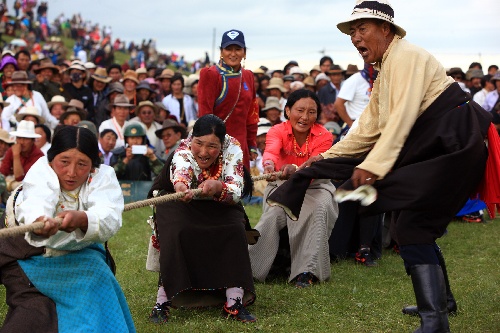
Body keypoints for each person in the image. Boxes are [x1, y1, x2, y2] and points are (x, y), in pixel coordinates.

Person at [267, 2, 493, 331]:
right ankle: (441, 302)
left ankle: (435, 320)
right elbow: (367, 128)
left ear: (385, 30)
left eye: (362, 29)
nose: (355, 37)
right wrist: (324, 159)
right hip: (444, 145)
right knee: (411, 223)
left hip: (456, 142)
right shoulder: (385, 68)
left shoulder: (406, 56)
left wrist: (374, 165)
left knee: (414, 225)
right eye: (352, 32)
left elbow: (400, 119)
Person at [0, 126, 135, 332]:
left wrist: (83, 219)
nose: (71, 173)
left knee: (98, 280)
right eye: (64, 162)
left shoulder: (102, 176)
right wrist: (40, 223)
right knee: (35, 312)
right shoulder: (41, 170)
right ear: (51, 159)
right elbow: (37, 200)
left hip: (77, 253)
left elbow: (108, 215)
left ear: (92, 166)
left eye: (82, 164)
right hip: (24, 252)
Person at [148, 114, 256, 323]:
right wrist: (181, 187)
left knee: (234, 228)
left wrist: (218, 187)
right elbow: (181, 174)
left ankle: (234, 301)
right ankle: (162, 301)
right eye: (199, 144)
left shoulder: (233, 148)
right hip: (179, 200)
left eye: (212, 146)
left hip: (221, 201)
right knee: (177, 230)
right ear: (192, 139)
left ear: (222, 143)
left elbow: (236, 189)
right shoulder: (183, 148)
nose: (204, 152)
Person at [248, 89, 337, 287]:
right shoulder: (276, 131)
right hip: (282, 184)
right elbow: (270, 151)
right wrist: (270, 165)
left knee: (318, 208)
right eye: (300, 110)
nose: (305, 117)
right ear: (287, 111)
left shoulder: (325, 136)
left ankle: (307, 271)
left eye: (311, 112)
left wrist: (296, 169)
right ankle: (251, 268)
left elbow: (315, 166)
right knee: (272, 216)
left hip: (316, 185)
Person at [197, 29, 260, 169]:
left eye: (238, 49)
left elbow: (252, 114)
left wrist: (251, 144)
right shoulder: (210, 74)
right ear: (221, 51)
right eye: (228, 49)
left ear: (244, 52)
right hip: (217, 147)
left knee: (241, 187)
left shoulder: (248, 76)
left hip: (241, 146)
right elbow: (204, 115)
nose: (233, 53)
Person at [0, 120, 44, 191]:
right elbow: (3, 172)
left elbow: (20, 178)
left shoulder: (38, 156)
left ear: (33, 141)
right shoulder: (12, 150)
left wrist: (16, 155)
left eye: (26, 139)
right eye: (19, 138)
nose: (21, 142)